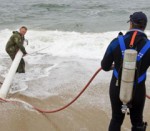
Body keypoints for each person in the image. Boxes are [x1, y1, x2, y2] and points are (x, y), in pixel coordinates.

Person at [101, 12, 149, 131]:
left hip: (117, 87)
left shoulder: (117, 42)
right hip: (138, 90)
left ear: (131, 24)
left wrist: (115, 66)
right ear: (145, 26)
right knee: (137, 122)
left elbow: (105, 66)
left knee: (116, 119)